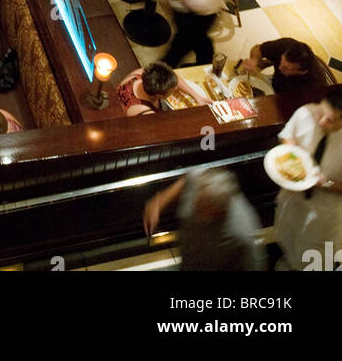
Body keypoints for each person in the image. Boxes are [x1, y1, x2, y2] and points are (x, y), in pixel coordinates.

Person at [142, 168, 266, 271]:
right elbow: (187, 178)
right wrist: (158, 203)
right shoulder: (200, 182)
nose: (195, 208)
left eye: (204, 208)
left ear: (221, 210)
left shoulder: (242, 233)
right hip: (188, 260)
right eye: (198, 201)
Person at [274, 86, 342, 271]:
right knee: (287, 238)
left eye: (331, 120)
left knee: (315, 258)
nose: (321, 122)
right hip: (292, 198)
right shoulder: (306, 112)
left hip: (323, 212)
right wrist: (291, 156)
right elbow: (288, 136)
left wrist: (325, 183)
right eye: (321, 113)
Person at [116, 61, 209, 116]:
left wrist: (197, 97)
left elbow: (174, 76)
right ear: (159, 95)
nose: (177, 87)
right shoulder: (146, 113)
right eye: (172, 88)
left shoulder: (142, 74)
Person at [241, 38, 326, 95]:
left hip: (286, 101)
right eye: (281, 60)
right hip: (273, 81)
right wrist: (254, 60)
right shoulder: (287, 45)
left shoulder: (314, 85)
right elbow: (258, 49)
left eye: (287, 68)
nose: (279, 67)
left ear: (301, 71)